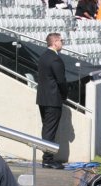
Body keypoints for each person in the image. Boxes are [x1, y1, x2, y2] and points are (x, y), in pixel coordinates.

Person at [36, 33, 68, 169]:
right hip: (53, 99)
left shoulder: (43, 56)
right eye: (61, 41)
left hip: (43, 99)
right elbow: (61, 80)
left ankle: (47, 158)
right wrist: (64, 95)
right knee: (50, 130)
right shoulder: (55, 59)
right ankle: (48, 159)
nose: (62, 43)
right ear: (55, 42)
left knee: (47, 129)